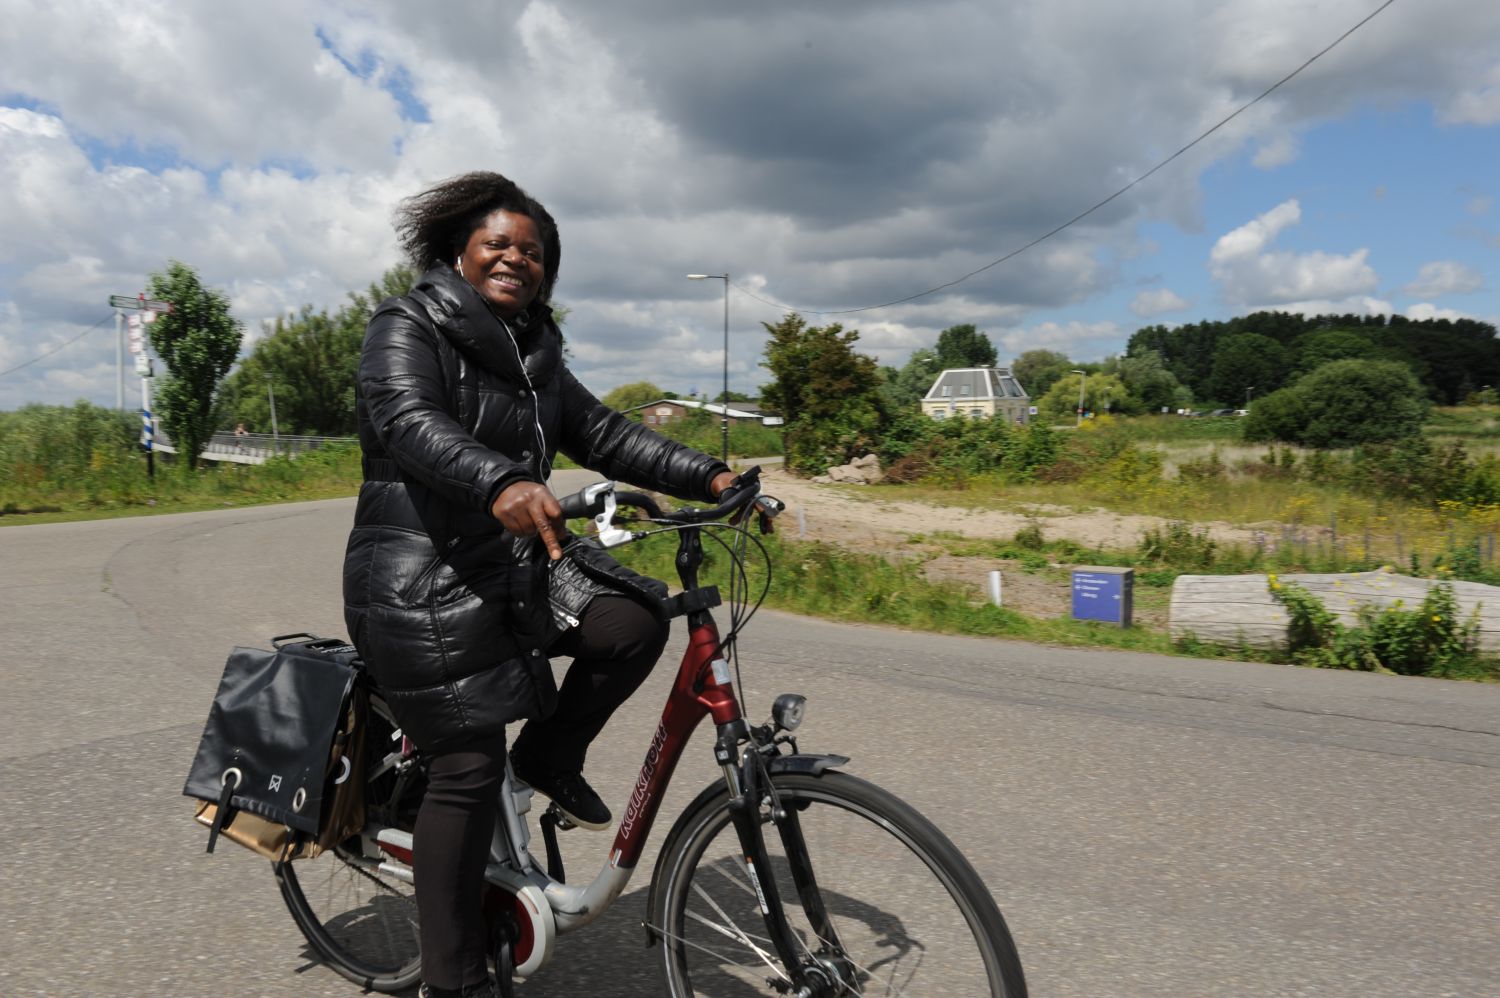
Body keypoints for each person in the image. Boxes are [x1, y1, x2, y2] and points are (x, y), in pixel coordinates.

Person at [342, 171, 734, 998]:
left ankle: (549, 758)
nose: (517, 259)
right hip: (419, 579)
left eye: (533, 252)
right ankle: (452, 980)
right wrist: (500, 481)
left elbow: (604, 434)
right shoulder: (405, 324)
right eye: (499, 244)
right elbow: (410, 422)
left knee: (633, 623)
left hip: (512, 566)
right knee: (466, 768)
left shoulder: (536, 354)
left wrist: (712, 477)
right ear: (459, 252)